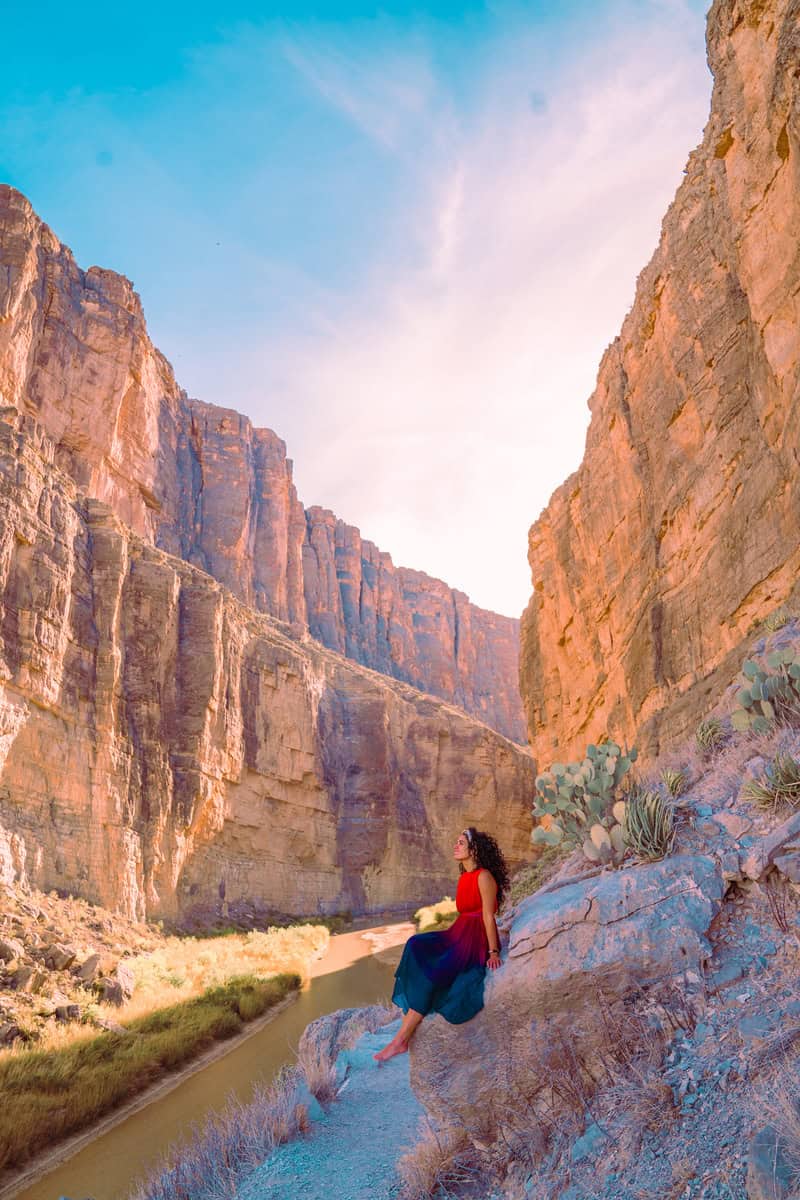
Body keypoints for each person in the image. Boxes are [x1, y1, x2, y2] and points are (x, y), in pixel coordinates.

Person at [373, 826, 509, 1063]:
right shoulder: (465, 876)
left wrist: (493, 951)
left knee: (434, 977)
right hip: (457, 933)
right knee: (416, 944)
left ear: (474, 849)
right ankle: (403, 1033)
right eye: (456, 842)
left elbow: (488, 916)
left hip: (473, 939)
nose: (455, 846)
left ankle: (400, 1041)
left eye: (461, 843)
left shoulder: (484, 876)